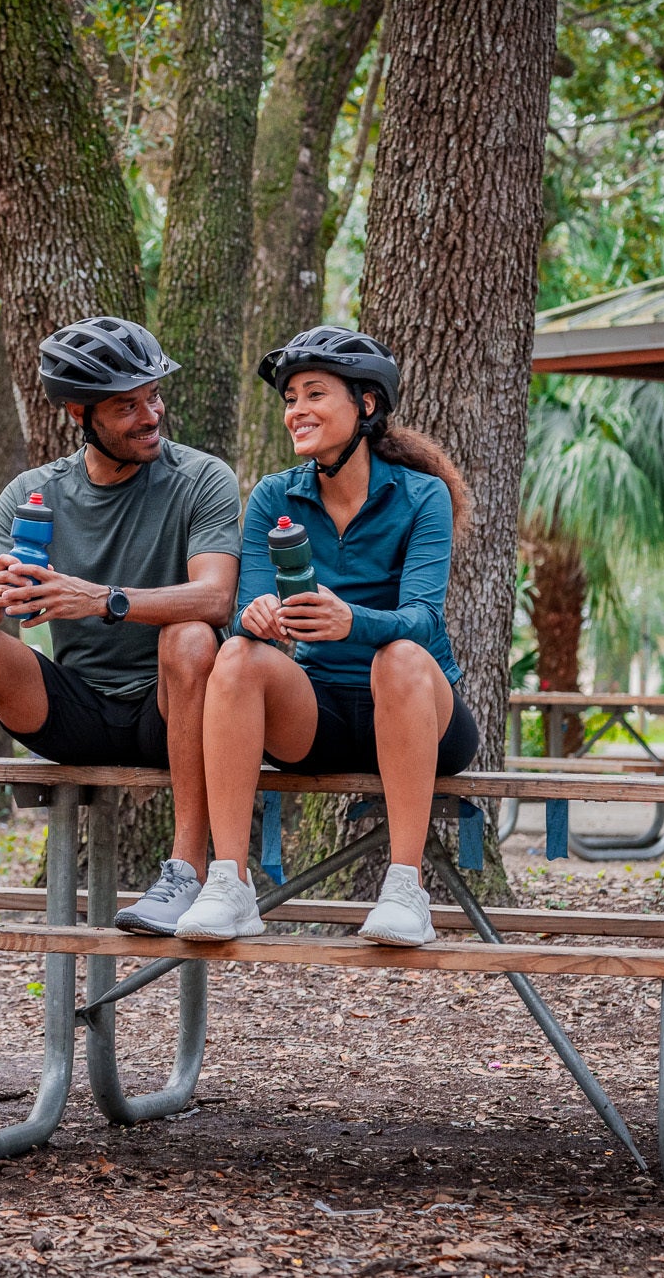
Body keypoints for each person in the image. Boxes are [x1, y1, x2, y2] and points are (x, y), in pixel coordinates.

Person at [0, 316, 242, 933]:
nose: (150, 415)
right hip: (77, 713)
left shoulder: (202, 479)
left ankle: (188, 871)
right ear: (80, 413)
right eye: (127, 406)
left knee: (191, 635)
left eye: (153, 396)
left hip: (170, 708)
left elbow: (216, 598)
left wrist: (101, 599)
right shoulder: (33, 493)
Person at [173, 326, 478, 947]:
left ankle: (405, 888)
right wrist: (255, 617)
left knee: (399, 655)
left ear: (365, 404)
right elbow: (247, 605)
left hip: (422, 711)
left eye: (314, 394)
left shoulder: (423, 497)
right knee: (235, 655)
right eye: (290, 399)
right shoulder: (273, 496)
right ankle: (229, 883)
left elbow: (424, 619)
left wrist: (354, 621)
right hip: (321, 714)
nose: (297, 411)